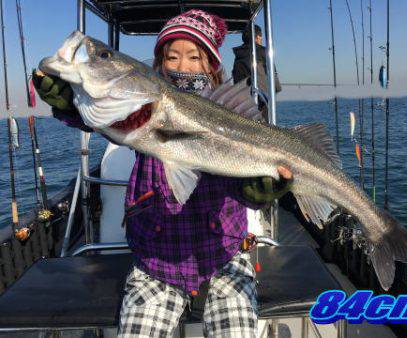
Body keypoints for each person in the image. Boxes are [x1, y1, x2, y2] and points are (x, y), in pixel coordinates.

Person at [33, 10, 293, 337]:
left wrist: (255, 191)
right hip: (155, 264)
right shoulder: (143, 106)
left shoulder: (227, 113)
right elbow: (99, 115)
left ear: (211, 67)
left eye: (194, 57)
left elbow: (239, 180)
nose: (182, 66)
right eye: (172, 56)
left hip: (225, 258)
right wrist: (70, 101)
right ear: (158, 66)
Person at [232, 24, 282, 122]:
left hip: (242, 106)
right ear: (257, 37)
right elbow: (276, 85)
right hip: (261, 105)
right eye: (261, 37)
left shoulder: (238, 57)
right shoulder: (264, 53)